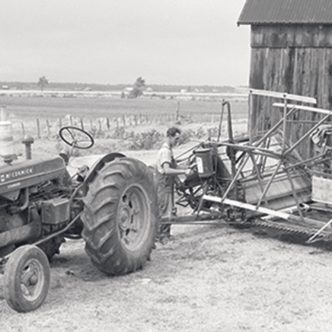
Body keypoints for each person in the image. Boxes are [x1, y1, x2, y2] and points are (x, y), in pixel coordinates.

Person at [155, 127, 191, 243]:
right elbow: (167, 170)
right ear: (169, 137)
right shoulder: (165, 151)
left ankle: (166, 235)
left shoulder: (169, 150)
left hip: (167, 184)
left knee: (169, 209)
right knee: (165, 210)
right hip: (164, 184)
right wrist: (184, 172)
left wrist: (186, 166)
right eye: (176, 139)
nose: (177, 141)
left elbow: (174, 166)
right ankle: (162, 237)